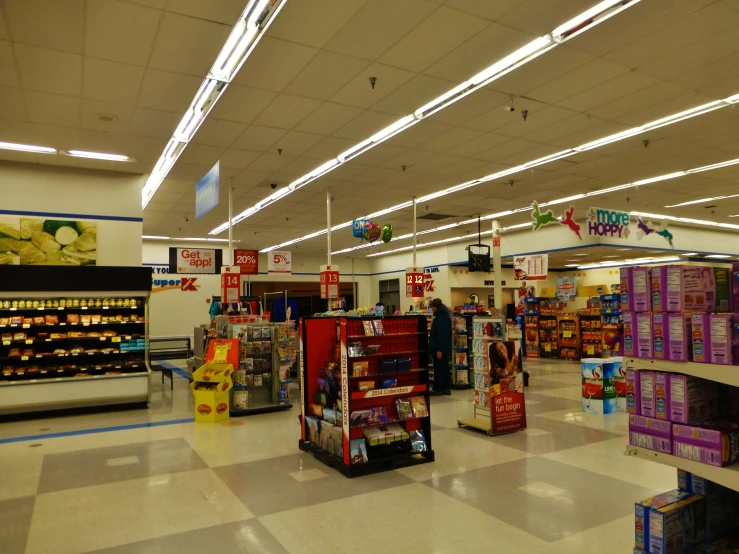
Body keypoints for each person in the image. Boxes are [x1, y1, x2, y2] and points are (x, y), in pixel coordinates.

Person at [428, 298, 452, 395]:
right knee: (444, 368)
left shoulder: (442, 318)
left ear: (437, 307)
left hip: (441, 349)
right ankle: (445, 388)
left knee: (439, 369)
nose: (432, 309)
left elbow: (442, 336)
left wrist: (439, 350)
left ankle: (438, 388)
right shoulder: (441, 316)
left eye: (433, 307)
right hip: (441, 349)